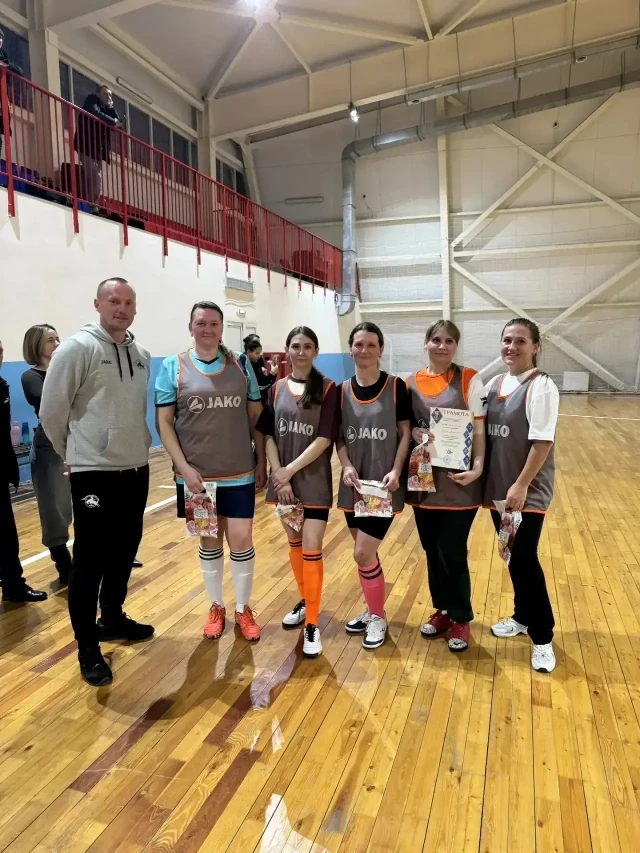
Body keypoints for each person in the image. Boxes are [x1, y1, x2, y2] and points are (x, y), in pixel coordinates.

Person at [40, 278, 153, 687]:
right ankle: (87, 647)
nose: (121, 309)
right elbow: (52, 412)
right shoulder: (76, 349)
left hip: (136, 468)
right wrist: (75, 454)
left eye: (128, 302)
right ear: (98, 304)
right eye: (113, 301)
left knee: (124, 551)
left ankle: (113, 619)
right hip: (93, 472)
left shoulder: (142, 355)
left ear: (135, 308)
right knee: (89, 559)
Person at [155, 301, 266, 645]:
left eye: (214, 323)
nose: (207, 329)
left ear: (221, 328)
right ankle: (216, 606)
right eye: (201, 323)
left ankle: (243, 608)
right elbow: (164, 423)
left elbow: (256, 417)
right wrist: (183, 467)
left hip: (239, 471)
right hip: (197, 479)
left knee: (242, 539)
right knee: (209, 540)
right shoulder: (173, 366)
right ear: (191, 327)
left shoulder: (240, 364)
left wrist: (262, 460)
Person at [483, 318, 559, 673]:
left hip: (526, 492)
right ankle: (522, 616)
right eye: (507, 340)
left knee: (525, 558)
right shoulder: (495, 383)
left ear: (535, 346)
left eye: (520, 341)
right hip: (499, 491)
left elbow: (542, 442)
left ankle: (542, 635)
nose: (511, 347)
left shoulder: (541, 386)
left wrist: (522, 484)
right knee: (512, 556)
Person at [256, 327, 337, 658]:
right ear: (287, 350)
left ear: (316, 351)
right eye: (295, 346)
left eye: (307, 346)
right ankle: (305, 600)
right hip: (284, 485)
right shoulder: (276, 389)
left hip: (314, 483)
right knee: (295, 544)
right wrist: (279, 474)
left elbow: (324, 439)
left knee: (312, 547)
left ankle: (313, 624)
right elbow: (268, 435)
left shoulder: (328, 388)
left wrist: (289, 470)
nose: (301, 351)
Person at [406, 320, 486, 652]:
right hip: (423, 483)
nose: (442, 345)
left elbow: (479, 429)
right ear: (426, 343)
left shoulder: (469, 378)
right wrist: (414, 433)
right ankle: (442, 610)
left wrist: (478, 467)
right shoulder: (410, 382)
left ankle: (461, 617)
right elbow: (405, 426)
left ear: (456, 346)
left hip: (458, 483)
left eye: (449, 340)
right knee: (431, 550)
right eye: (436, 339)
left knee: (452, 550)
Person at [337, 322, 410, 649]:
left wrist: (397, 470)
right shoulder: (340, 391)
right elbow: (339, 437)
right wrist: (346, 464)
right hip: (354, 485)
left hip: (383, 485)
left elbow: (405, 433)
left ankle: (378, 617)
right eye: (358, 344)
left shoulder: (395, 387)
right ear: (350, 349)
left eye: (370, 344)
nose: (364, 350)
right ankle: (372, 609)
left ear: (381, 349)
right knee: (365, 556)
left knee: (362, 552)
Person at [21, 324, 72, 585]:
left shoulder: (67, 371)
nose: (57, 343)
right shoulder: (31, 376)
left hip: (76, 441)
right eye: (50, 340)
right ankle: (63, 562)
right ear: (36, 345)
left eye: (58, 338)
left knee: (86, 502)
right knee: (54, 507)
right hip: (49, 446)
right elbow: (48, 402)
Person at [0, 337, 47, 603]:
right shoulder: (27, 379)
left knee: (6, 533)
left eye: (0, 352)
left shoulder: (1, 385)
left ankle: (12, 585)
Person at [74, 84, 122, 209]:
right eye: (105, 94)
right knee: (95, 175)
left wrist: (111, 108)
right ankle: (91, 205)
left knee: (95, 178)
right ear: (98, 94)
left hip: (98, 151)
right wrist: (112, 122)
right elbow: (95, 113)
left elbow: (118, 125)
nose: (108, 97)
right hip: (86, 146)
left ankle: (90, 204)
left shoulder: (107, 109)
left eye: (110, 95)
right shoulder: (92, 100)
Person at [243, 334, 278, 405]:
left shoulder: (257, 360)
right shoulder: (245, 364)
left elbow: (262, 379)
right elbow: (262, 385)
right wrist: (272, 373)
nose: (259, 355)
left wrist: (264, 373)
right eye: (257, 353)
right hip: (253, 401)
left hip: (261, 397)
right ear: (249, 351)